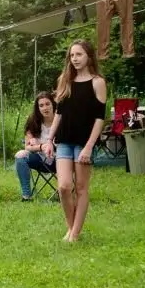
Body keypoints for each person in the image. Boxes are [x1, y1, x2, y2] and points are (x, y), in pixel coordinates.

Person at [42, 39, 107, 242]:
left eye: (79, 54)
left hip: (84, 143)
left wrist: (89, 147)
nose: (75, 59)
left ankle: (75, 233)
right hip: (64, 141)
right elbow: (59, 114)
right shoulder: (65, 80)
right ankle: (71, 228)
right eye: (72, 55)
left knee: (81, 188)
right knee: (63, 186)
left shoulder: (98, 82)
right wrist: (49, 139)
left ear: (88, 56)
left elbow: (99, 118)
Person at [14, 92, 59, 201]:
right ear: (37, 108)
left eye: (48, 104)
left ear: (53, 104)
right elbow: (27, 147)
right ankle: (26, 195)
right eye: (41, 105)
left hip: (60, 159)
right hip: (40, 159)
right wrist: (41, 146)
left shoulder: (61, 120)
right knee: (20, 155)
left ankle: (63, 192)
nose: (45, 108)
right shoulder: (33, 121)